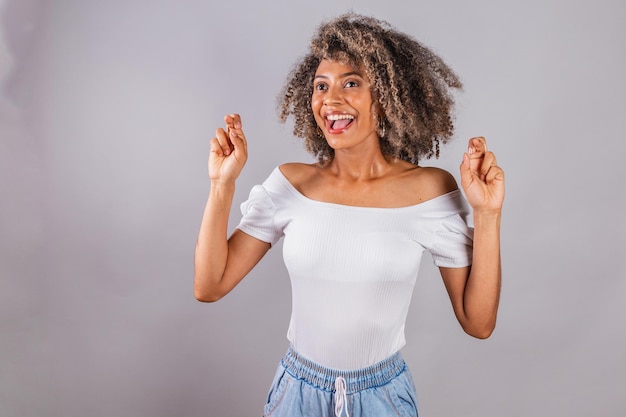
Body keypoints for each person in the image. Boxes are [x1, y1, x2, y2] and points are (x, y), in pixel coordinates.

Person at [194, 13, 504, 417]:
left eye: (351, 83)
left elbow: (478, 322)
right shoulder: (290, 184)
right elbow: (209, 285)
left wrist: (487, 214)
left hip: (382, 397)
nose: (330, 99)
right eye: (321, 86)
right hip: (297, 396)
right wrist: (222, 185)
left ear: (388, 96)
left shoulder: (429, 190)